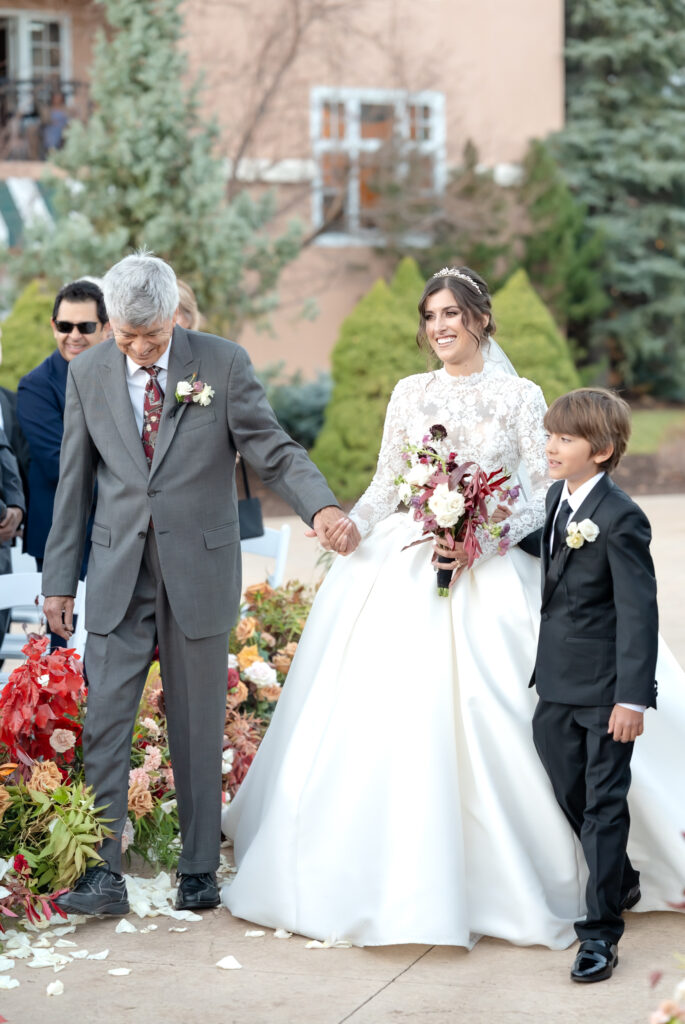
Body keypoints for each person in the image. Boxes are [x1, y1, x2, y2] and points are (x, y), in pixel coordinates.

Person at [223, 267, 685, 949]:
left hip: (490, 568)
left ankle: (581, 865)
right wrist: (350, 523)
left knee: (501, 704)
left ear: (480, 319)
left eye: (452, 314)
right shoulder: (409, 391)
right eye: (430, 315)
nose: (439, 326)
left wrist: (483, 538)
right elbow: (386, 481)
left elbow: (540, 491)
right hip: (407, 563)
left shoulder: (519, 395)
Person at [40, 250, 355, 917]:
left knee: (195, 723)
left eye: (149, 336)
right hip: (119, 574)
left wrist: (321, 507)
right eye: (124, 336)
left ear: (172, 316)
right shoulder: (90, 372)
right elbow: (74, 484)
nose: (137, 348)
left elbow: (271, 448)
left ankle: (198, 870)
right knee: (104, 724)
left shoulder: (221, 362)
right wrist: (59, 582)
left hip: (199, 573)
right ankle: (102, 875)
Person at [531, 388, 657, 983]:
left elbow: (639, 612)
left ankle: (600, 933)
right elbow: (549, 551)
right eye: (551, 435)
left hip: (607, 693)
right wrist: (477, 533)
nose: (551, 446)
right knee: (569, 791)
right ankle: (623, 879)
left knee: (604, 808)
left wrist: (632, 698)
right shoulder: (558, 495)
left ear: (601, 450)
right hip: (555, 684)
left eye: (565, 438)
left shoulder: (622, 515)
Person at [17, 279, 109, 579]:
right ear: (53, 325)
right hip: (64, 538)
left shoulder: (124, 376)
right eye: (64, 326)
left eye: (86, 327)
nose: (74, 336)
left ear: (106, 327)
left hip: (121, 535)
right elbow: (62, 465)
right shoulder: (36, 387)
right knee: (68, 628)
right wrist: (134, 494)